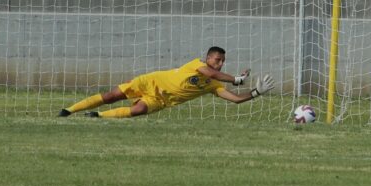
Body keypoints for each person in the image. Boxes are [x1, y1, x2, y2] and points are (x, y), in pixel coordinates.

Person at [58, 46, 274, 118]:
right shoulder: (196, 64)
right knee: (110, 96)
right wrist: (237, 79)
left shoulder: (212, 85)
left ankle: (96, 116)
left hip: (161, 100)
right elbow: (215, 74)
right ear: (208, 58)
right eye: (217, 60)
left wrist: (256, 92)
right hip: (150, 82)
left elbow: (235, 100)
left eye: (222, 62)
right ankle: (68, 110)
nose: (219, 64)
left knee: (137, 111)